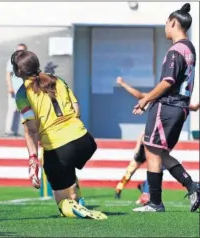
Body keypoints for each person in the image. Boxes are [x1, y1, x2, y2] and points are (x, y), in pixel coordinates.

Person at [11, 50, 106, 219]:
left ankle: (74, 208)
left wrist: (33, 159)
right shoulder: (57, 79)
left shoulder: (22, 94)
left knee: (62, 204)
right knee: (67, 171)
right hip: (85, 141)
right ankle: (79, 200)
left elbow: (31, 129)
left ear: (18, 72)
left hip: (58, 148)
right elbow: (76, 109)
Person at [132, 3, 199, 213]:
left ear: (173, 22)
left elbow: (167, 81)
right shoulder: (190, 48)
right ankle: (192, 186)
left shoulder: (175, 50)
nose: (165, 28)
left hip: (168, 106)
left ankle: (155, 203)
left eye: (166, 24)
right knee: (160, 152)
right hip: (180, 107)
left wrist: (145, 100)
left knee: (151, 150)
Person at [115, 76, 200, 205]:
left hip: (151, 141)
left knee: (155, 164)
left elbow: (140, 96)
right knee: (136, 169)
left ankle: (148, 195)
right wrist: (123, 84)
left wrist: (122, 84)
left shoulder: (167, 99)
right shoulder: (167, 98)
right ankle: (122, 190)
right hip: (145, 144)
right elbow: (194, 107)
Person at [5, 43, 27, 137]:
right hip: (14, 90)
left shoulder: (27, 62)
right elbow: (8, 75)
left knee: (20, 111)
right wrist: (10, 87)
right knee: (12, 110)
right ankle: (8, 130)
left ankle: (14, 131)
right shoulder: (12, 61)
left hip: (23, 90)